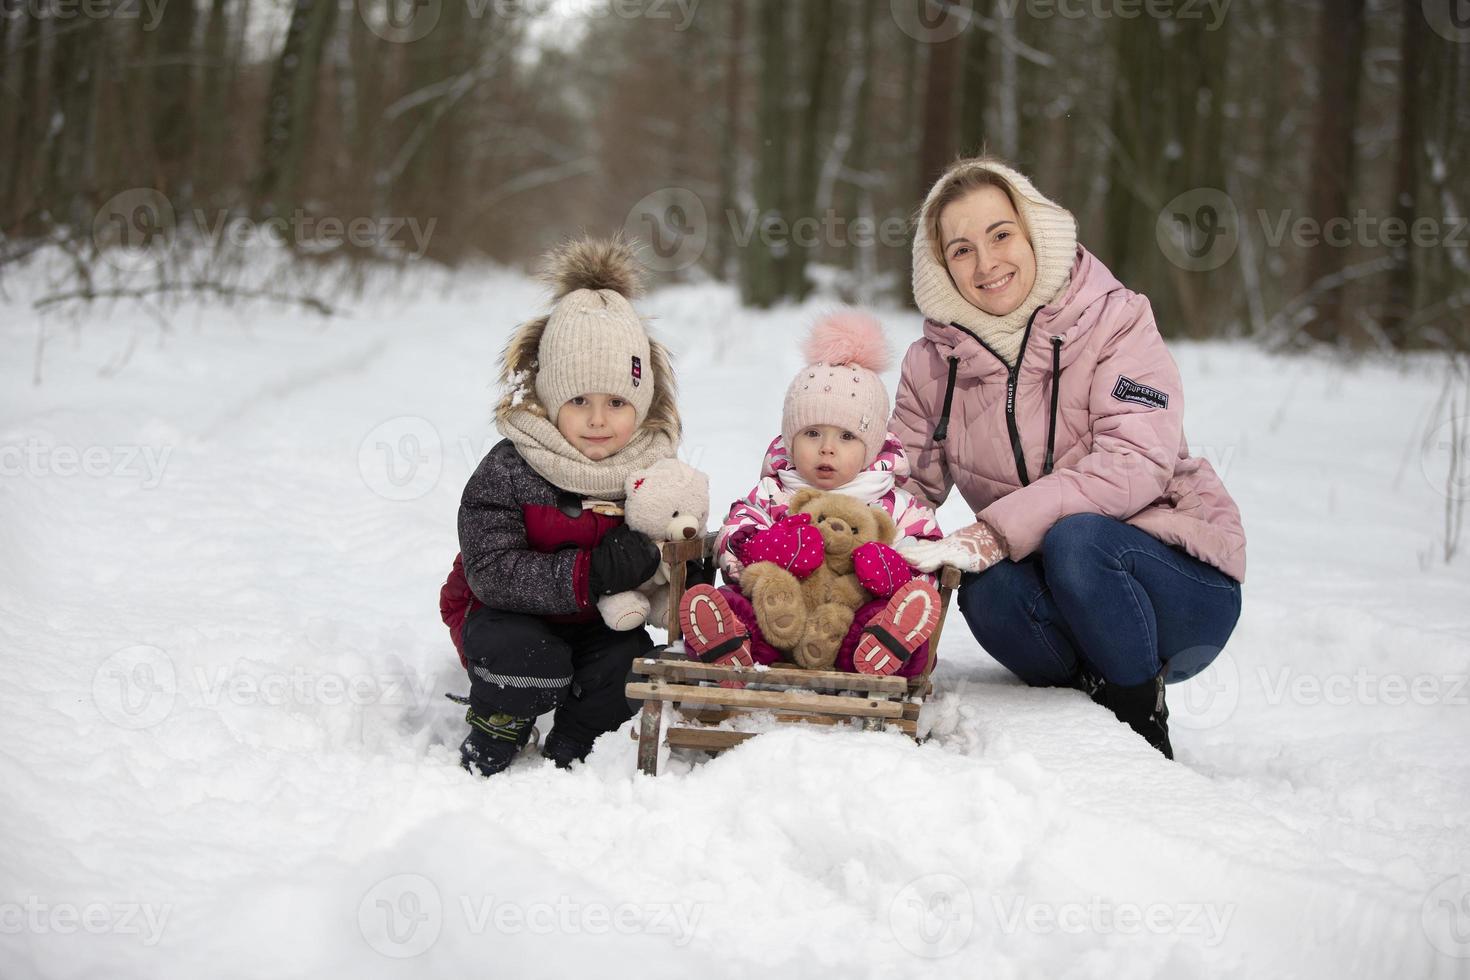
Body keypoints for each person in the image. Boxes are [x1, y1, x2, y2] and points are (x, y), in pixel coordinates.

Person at [890, 156, 1247, 758]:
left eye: (1001, 235)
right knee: (985, 589)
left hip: (1174, 589)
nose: (986, 264)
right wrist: (827, 522)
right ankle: (1082, 713)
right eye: (961, 249)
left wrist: (995, 530)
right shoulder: (933, 363)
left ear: (1034, 233)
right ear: (939, 267)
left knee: (1077, 539)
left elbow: (1134, 459)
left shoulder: (1115, 320)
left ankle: (1139, 720)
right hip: (1056, 597)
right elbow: (899, 486)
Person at [438, 236, 680, 776]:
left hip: (599, 621)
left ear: (641, 405)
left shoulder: (649, 469)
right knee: (526, 657)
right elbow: (491, 572)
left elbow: (677, 534)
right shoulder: (511, 466)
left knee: (629, 665)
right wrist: (591, 572)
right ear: (548, 400)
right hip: (505, 614)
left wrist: (675, 560)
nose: (599, 420)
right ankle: (501, 719)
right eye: (579, 402)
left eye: (617, 402)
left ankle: (579, 730)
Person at [679, 310, 945, 677]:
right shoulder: (775, 492)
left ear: (871, 446)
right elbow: (734, 531)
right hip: (777, 624)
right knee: (737, 603)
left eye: (847, 436)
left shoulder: (893, 503)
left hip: (849, 635)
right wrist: (765, 548)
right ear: (790, 439)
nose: (827, 449)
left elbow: (929, 553)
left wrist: (892, 571)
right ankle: (728, 643)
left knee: (885, 617)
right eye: (812, 433)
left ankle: (884, 645)